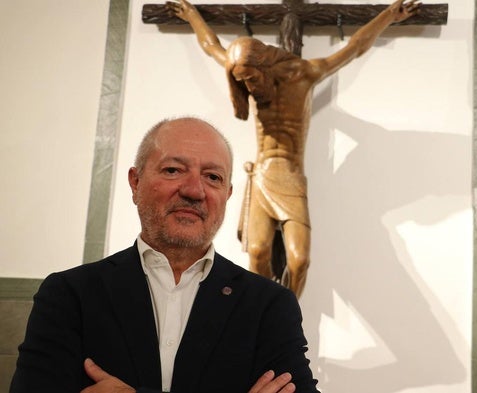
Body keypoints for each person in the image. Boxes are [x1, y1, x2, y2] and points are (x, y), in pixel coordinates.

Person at [10, 117, 319, 393]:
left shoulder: (268, 305)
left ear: (227, 195)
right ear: (135, 181)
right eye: (174, 170)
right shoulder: (69, 296)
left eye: (213, 177)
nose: (195, 190)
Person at [167, 0, 420, 298]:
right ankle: (264, 313)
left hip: (291, 177)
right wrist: (192, 15)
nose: (248, 86)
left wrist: (389, 15)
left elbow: (354, 47)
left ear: (264, 64)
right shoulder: (246, 78)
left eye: (251, 77)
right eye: (241, 81)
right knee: (258, 252)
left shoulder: (304, 75)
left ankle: (287, 312)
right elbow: (211, 46)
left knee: (300, 260)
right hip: (262, 176)